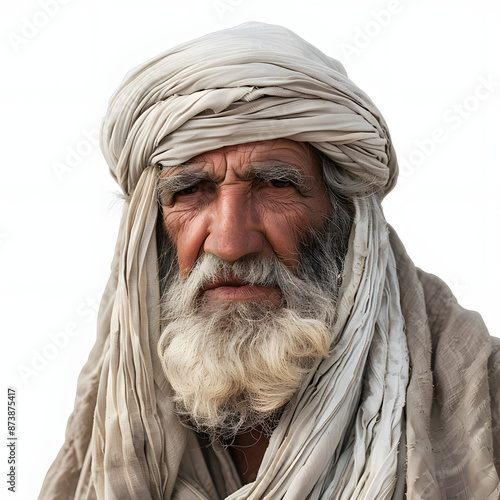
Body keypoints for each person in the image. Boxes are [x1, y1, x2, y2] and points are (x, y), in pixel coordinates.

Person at [39, 22, 500, 499]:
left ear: (347, 220)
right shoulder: (112, 410)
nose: (230, 241)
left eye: (276, 185)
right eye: (190, 191)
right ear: (149, 230)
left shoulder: (480, 398)